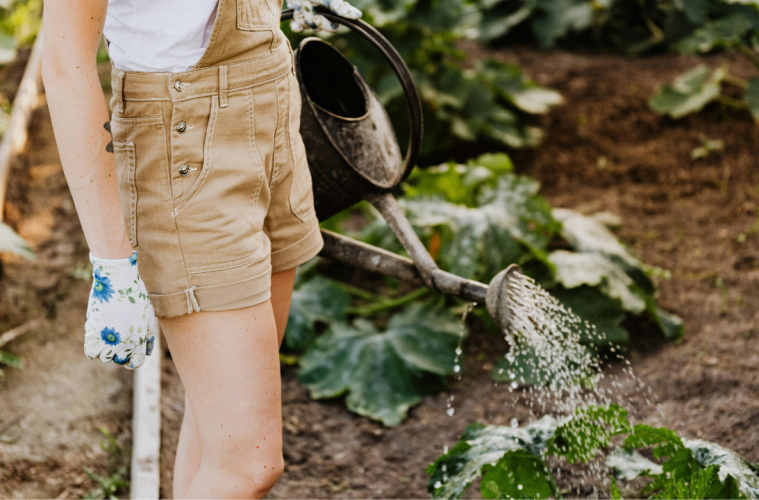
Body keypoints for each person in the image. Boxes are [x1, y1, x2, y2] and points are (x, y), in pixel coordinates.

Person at [41, 0, 360, 496]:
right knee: (249, 464)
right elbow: (64, 61)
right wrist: (111, 260)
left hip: (270, 105)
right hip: (184, 143)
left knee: (221, 434)